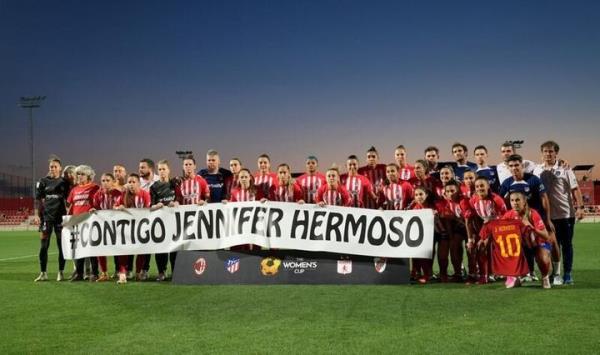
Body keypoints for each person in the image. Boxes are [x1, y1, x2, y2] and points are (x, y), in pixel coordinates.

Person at [533, 141, 585, 285]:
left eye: (551, 151)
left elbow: (575, 189)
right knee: (550, 245)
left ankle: (567, 274)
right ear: (541, 153)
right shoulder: (537, 170)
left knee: (566, 244)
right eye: (545, 151)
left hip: (565, 214)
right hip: (546, 216)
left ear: (556, 153)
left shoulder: (565, 169)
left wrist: (580, 207)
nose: (548, 154)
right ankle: (555, 274)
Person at [499, 154, 555, 281]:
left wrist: (547, 219)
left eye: (517, 165)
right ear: (508, 167)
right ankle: (526, 273)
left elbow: (544, 198)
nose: (514, 168)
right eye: (511, 166)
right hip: (517, 222)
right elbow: (502, 202)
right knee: (522, 247)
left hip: (537, 219)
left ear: (522, 165)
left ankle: (552, 272)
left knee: (549, 243)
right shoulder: (506, 183)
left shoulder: (533, 179)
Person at [488, 190, 553, 288]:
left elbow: (546, 235)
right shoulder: (508, 215)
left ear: (524, 201)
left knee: (543, 258)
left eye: (517, 200)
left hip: (538, 244)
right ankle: (515, 276)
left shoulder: (533, 214)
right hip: (522, 246)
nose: (515, 203)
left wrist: (531, 227)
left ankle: (545, 277)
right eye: (512, 200)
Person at [33, 156, 70, 282]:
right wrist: (38, 216)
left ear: (60, 168)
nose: (53, 169)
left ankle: (61, 272)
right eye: (51, 167)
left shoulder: (65, 182)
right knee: (44, 246)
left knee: (61, 246)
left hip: (60, 219)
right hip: (46, 219)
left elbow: (69, 200)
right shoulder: (43, 181)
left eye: (55, 166)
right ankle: (43, 273)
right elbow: (39, 201)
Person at [465, 176, 507, 284]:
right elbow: (469, 219)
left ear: (488, 186)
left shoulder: (496, 199)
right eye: (477, 186)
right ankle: (478, 274)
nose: (479, 188)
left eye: (482, 186)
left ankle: (492, 274)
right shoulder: (473, 200)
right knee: (475, 246)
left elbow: (506, 217)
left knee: (484, 245)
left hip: (499, 227)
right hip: (486, 226)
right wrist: (471, 238)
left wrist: (488, 234)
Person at [115, 173, 151, 283]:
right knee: (124, 250)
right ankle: (122, 273)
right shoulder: (123, 195)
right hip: (127, 229)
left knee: (141, 250)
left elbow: (147, 209)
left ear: (139, 184)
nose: (131, 184)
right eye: (129, 182)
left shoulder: (145, 194)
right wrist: (118, 207)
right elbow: (114, 206)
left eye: (133, 182)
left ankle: (138, 272)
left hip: (141, 227)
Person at [66, 165, 100, 282]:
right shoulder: (74, 190)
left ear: (89, 176)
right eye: (78, 174)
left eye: (82, 174)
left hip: (90, 222)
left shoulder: (95, 187)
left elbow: (99, 202)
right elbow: (71, 206)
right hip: (77, 222)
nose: (79, 176)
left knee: (92, 249)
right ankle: (79, 274)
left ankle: (95, 273)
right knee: (78, 249)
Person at [150, 160, 181, 281]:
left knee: (174, 248)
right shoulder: (154, 187)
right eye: (160, 169)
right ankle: (161, 272)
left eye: (164, 169)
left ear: (169, 170)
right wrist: (156, 206)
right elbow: (151, 205)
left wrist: (177, 202)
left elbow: (179, 198)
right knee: (161, 247)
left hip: (174, 222)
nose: (162, 171)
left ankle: (175, 272)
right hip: (161, 222)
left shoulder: (175, 184)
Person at [90, 173, 123, 281]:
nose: (105, 183)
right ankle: (104, 273)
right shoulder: (97, 195)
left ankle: (120, 271)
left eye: (108, 180)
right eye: (103, 180)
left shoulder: (119, 193)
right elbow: (95, 207)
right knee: (100, 248)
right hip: (103, 225)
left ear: (113, 182)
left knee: (118, 249)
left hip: (117, 226)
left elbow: (122, 206)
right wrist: (93, 210)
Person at [138, 158, 158, 278]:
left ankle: (162, 270)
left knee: (161, 245)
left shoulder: (159, 180)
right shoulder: (137, 183)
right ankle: (143, 270)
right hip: (143, 219)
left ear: (150, 169)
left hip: (159, 217)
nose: (140, 169)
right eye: (140, 167)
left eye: (142, 167)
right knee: (144, 246)